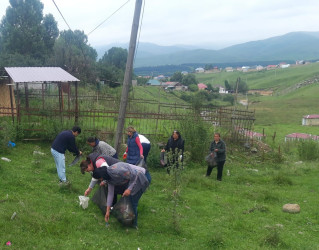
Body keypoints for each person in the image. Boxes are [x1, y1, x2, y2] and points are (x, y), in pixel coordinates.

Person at [92, 161, 151, 228]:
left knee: (132, 200)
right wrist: (107, 211)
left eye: (100, 179)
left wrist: (129, 189)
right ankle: (129, 219)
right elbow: (110, 194)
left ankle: (134, 225)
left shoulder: (117, 171)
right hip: (134, 179)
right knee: (128, 198)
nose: (101, 180)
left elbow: (136, 174)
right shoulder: (109, 178)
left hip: (142, 176)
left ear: (102, 176)